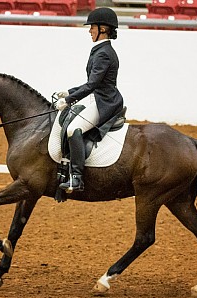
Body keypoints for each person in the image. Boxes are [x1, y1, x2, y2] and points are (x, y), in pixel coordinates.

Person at [55, 7, 124, 192]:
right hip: (101, 97)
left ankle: (76, 177)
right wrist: (68, 92)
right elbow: (92, 83)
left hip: (106, 102)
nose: (89, 30)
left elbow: (92, 85)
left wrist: (68, 100)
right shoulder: (101, 50)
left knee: (72, 129)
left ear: (103, 29)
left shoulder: (103, 53)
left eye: (92, 27)